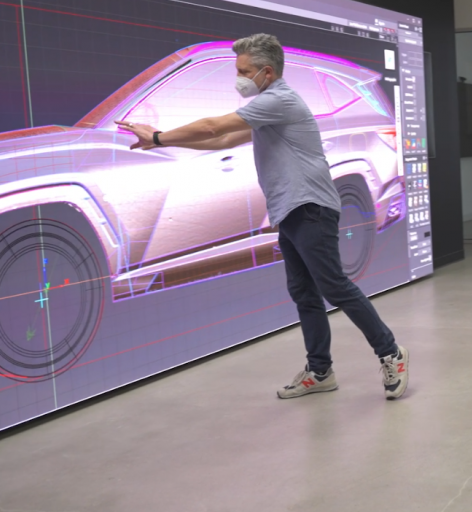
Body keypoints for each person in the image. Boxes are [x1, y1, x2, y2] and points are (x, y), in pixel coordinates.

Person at [116, 34, 410, 401]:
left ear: (267, 72)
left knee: (334, 287)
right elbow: (222, 142)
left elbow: (214, 127)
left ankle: (391, 353)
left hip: (310, 208)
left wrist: (159, 136)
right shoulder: (266, 105)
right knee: (304, 292)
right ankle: (320, 371)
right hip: (291, 210)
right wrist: (163, 143)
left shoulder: (278, 99)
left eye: (244, 71)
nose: (237, 78)